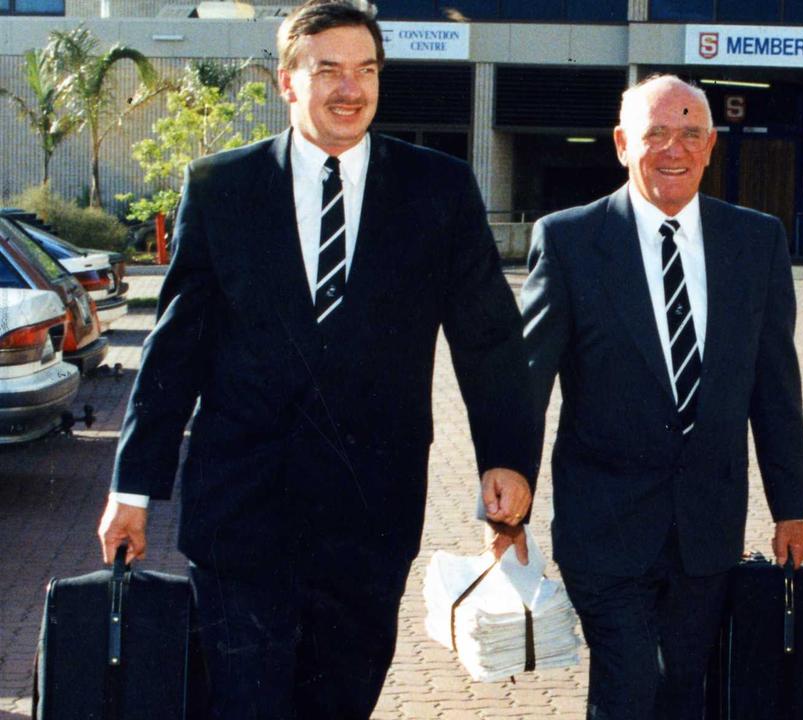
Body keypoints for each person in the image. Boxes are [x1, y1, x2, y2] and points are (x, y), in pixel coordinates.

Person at [95, 2, 540, 717]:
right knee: (244, 704)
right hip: (242, 512)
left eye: (365, 70)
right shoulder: (222, 189)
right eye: (327, 69)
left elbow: (489, 340)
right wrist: (133, 487)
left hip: (372, 513)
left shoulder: (438, 189)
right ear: (287, 82)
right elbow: (175, 349)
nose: (349, 88)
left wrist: (508, 457)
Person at [519, 74, 803, 720]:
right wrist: (509, 495)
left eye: (688, 134)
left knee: (685, 694)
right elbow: (527, 382)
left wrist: (792, 504)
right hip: (604, 526)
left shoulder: (756, 243)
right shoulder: (569, 242)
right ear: (623, 144)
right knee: (629, 688)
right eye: (656, 134)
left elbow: (775, 387)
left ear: (710, 147)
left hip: (706, 528)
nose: (672, 150)